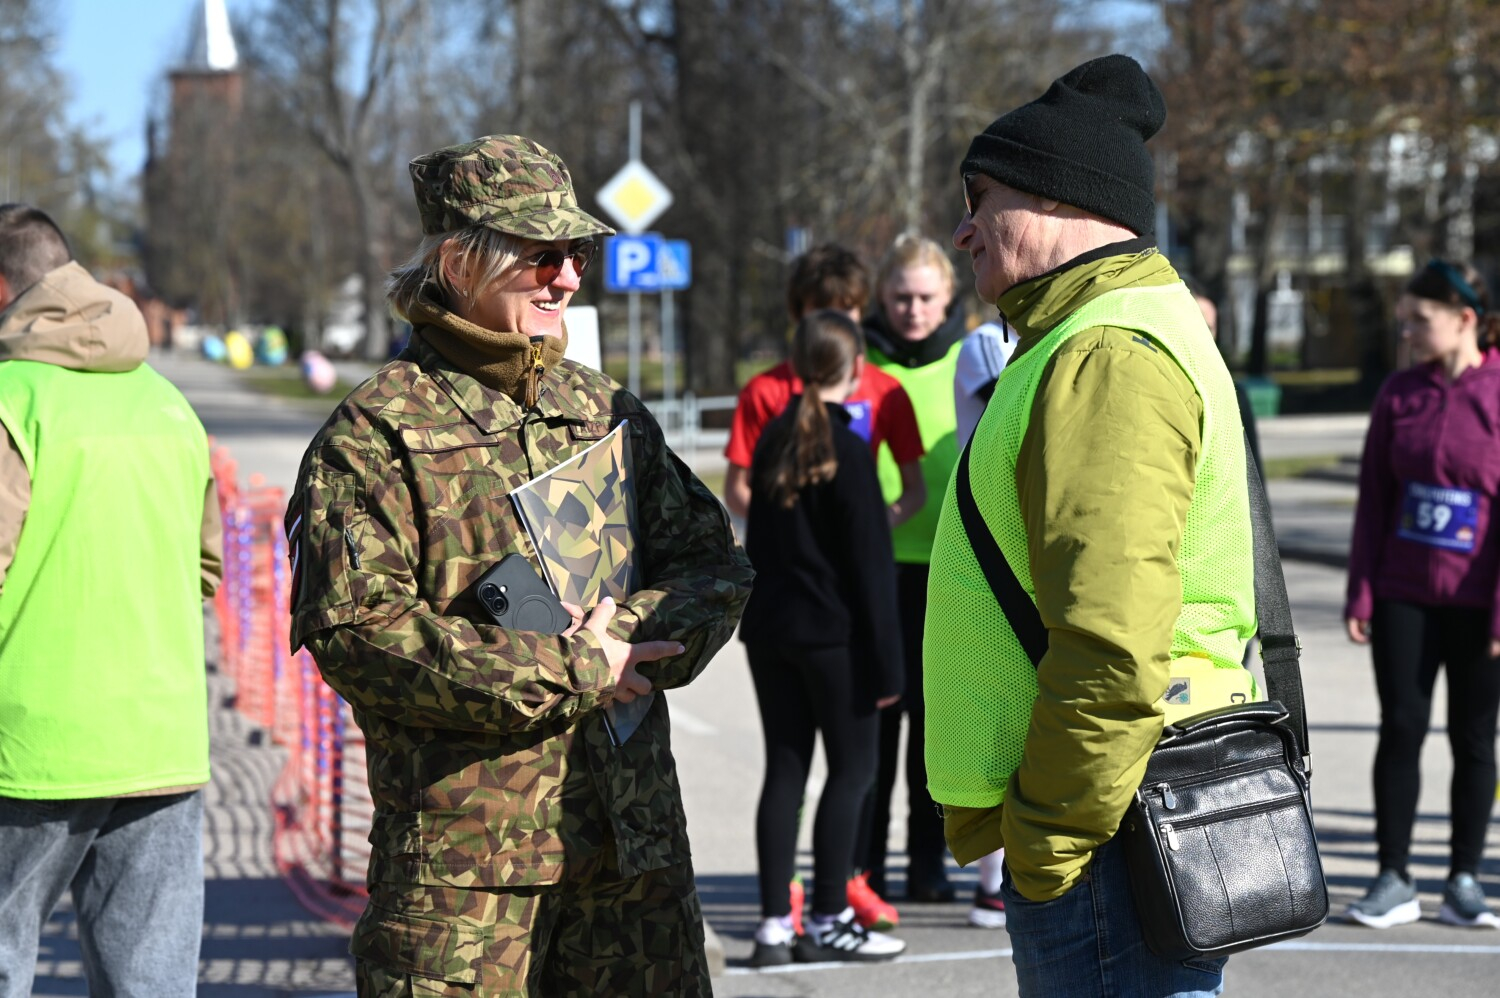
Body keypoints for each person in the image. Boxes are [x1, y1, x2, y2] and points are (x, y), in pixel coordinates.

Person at [287, 136, 753, 996]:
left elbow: (715, 563)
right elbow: (360, 639)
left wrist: (635, 636)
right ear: (460, 262)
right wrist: (571, 668)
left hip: (631, 861)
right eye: (541, 256)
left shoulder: (601, 408)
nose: (569, 278)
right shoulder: (375, 435)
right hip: (466, 887)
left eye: (575, 255)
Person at [927, 54, 1256, 996]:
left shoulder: (1106, 352)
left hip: (1111, 832)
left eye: (978, 198)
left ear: (1055, 198)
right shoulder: (1105, 331)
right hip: (1125, 810)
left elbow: (1112, 641)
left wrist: (1045, 843)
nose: (961, 231)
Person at [0, 204, 222, 996]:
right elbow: (204, 568)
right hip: (159, 740)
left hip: (28, 751)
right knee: (151, 983)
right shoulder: (167, 405)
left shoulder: (9, 401)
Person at [725, 243, 921, 931]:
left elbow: (757, 521)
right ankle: (834, 913)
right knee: (851, 773)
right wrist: (891, 665)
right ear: (854, 363)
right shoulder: (846, 447)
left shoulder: (781, 437)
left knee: (785, 773)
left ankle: (777, 919)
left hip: (771, 626)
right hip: (833, 631)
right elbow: (870, 571)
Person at [1343, 258, 1500, 930]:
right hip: (1405, 591)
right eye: (1403, 318)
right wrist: (1362, 592)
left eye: (1420, 319)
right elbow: (1374, 501)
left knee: (1473, 737)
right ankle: (1393, 877)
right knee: (1400, 728)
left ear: (1466, 319)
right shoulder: (1399, 393)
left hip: (1479, 602)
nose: (1406, 331)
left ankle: (1464, 879)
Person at [860, 233, 969, 904]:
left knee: (935, 729)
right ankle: (862, 867)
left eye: (926, 296)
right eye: (900, 296)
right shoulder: (858, 361)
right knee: (876, 724)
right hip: (875, 569)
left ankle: (928, 864)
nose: (912, 309)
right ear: (881, 297)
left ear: (949, 297)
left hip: (951, 570)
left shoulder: (973, 358)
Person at [723, 244, 926, 530]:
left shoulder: (886, 390)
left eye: (846, 308)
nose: (835, 320)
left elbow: (915, 491)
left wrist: (869, 527)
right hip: (788, 565)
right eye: (821, 308)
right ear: (798, 312)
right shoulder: (763, 391)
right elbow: (736, 490)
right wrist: (793, 535)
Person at [949, 318, 1015, 930]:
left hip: (1029, 552)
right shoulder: (987, 345)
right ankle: (991, 883)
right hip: (988, 552)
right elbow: (1018, 405)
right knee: (994, 725)